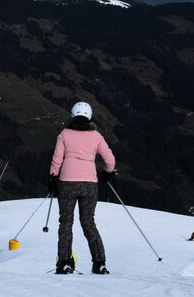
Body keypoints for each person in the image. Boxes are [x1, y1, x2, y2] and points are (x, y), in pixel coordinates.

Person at [48, 101, 116, 275]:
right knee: (88, 222)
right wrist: (107, 173)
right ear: (90, 116)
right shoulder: (96, 136)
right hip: (89, 184)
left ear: (72, 115)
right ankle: (99, 263)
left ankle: (64, 262)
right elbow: (110, 161)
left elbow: (57, 160)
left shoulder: (64, 134)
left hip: (67, 183)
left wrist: (53, 178)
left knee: (66, 222)